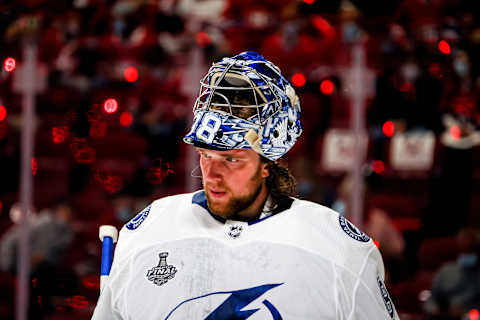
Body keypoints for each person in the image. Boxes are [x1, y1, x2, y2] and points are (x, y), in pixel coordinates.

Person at [91, 51, 399, 319]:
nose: (210, 174)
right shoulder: (148, 231)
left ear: (268, 162)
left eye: (231, 159)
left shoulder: (338, 249)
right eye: (205, 155)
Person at [424, 227, 480, 319]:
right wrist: (435, 310)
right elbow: (431, 300)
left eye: (471, 249)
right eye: (464, 249)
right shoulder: (446, 270)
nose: (467, 254)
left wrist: (468, 314)